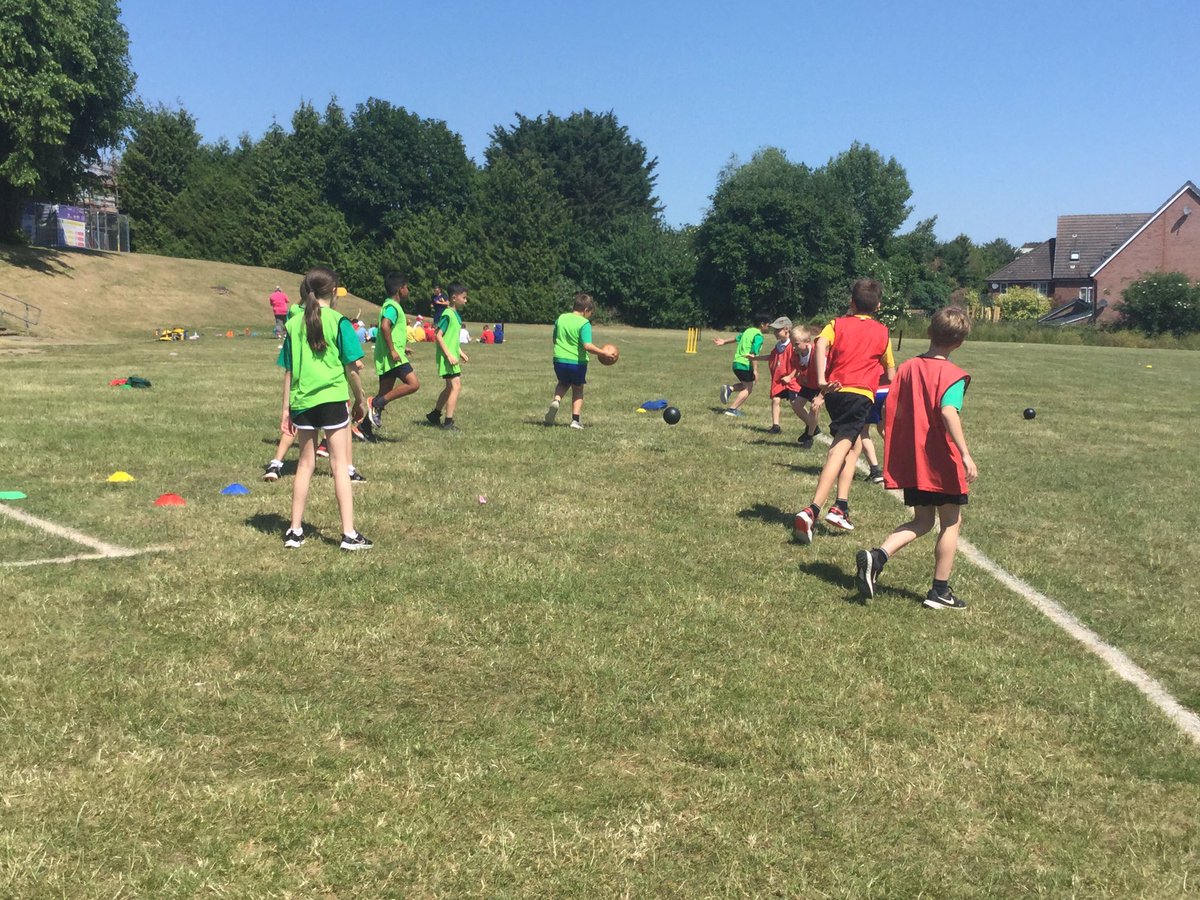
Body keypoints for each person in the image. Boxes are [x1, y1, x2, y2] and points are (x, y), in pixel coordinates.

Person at [855, 306, 977, 609]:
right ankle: (939, 591)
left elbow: (888, 408)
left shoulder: (907, 368)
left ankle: (877, 556)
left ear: (929, 333)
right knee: (951, 522)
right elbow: (948, 411)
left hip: (916, 461)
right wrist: (965, 454)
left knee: (922, 520)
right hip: (941, 462)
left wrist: (891, 437)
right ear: (960, 342)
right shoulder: (953, 375)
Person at [793, 279, 896, 543]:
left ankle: (841, 506)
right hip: (860, 395)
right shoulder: (882, 332)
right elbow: (891, 372)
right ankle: (812, 510)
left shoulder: (836, 324)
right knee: (839, 450)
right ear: (879, 306)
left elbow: (820, 345)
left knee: (853, 448)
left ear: (851, 302)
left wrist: (822, 381)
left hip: (835, 393)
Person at [278, 267, 372, 551]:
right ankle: (348, 534)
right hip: (332, 400)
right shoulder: (340, 322)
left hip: (303, 403)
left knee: (305, 466)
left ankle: (294, 531)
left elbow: (290, 371)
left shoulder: (293, 324)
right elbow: (352, 368)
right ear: (333, 292)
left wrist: (286, 410)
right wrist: (359, 400)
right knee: (339, 466)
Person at [364, 272, 420, 433]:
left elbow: (390, 330)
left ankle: (363, 427)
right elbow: (384, 326)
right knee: (413, 384)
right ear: (400, 289)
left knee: (384, 393)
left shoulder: (390, 305)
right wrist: (393, 350)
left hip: (390, 356)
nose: (408, 290)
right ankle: (376, 404)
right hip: (393, 357)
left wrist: (401, 348)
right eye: (406, 287)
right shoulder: (392, 307)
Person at [544, 292, 607, 430]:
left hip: (559, 359)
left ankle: (556, 400)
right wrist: (603, 352)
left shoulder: (561, 318)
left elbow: (555, 339)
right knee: (578, 389)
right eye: (590, 313)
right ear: (586, 310)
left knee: (563, 383)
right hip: (577, 362)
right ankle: (575, 420)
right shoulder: (584, 323)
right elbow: (587, 346)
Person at [712, 312, 774, 417]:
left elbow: (736, 338)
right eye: (768, 324)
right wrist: (755, 370)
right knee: (748, 388)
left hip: (736, 363)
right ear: (762, 324)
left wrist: (724, 342)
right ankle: (732, 409)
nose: (769, 327)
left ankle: (730, 389)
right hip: (745, 364)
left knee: (746, 385)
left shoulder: (748, 331)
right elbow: (753, 354)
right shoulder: (758, 336)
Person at [426, 284, 468, 431]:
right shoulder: (447, 314)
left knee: (450, 387)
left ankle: (435, 414)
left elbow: (452, 338)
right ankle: (448, 422)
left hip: (452, 356)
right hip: (447, 358)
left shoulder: (455, 315)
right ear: (454, 298)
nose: (466, 300)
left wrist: (460, 351)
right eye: (464, 297)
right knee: (456, 386)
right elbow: (438, 336)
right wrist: (449, 354)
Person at [790, 324, 824, 448]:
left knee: (814, 409)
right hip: (808, 384)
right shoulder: (796, 354)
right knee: (797, 406)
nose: (794, 347)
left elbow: (825, 370)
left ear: (807, 341)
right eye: (793, 343)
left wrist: (822, 394)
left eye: (797, 344)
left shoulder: (816, 352)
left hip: (819, 385)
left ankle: (809, 437)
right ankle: (813, 427)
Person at [859, 383, 890, 484]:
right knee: (883, 429)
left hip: (872, 392)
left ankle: (875, 471)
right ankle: (902, 464)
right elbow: (891, 377)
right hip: (887, 392)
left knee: (862, 430)